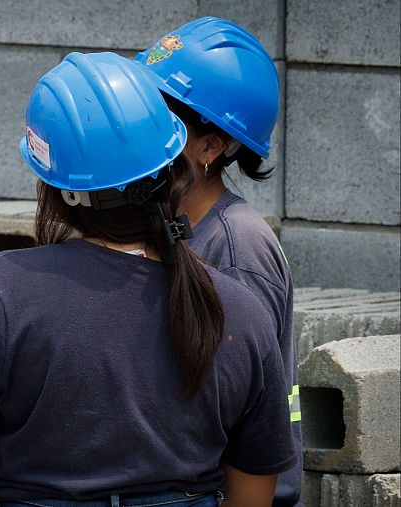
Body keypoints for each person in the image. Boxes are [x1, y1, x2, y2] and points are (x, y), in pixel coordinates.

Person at [0, 52, 296, 507]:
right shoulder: (239, 308)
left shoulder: (1, 290)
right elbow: (254, 492)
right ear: (172, 169)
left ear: (58, 188)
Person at [135, 17, 301, 506]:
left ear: (211, 146)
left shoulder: (236, 247)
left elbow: (239, 404)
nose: (142, 128)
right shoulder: (169, 224)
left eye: (164, 119)